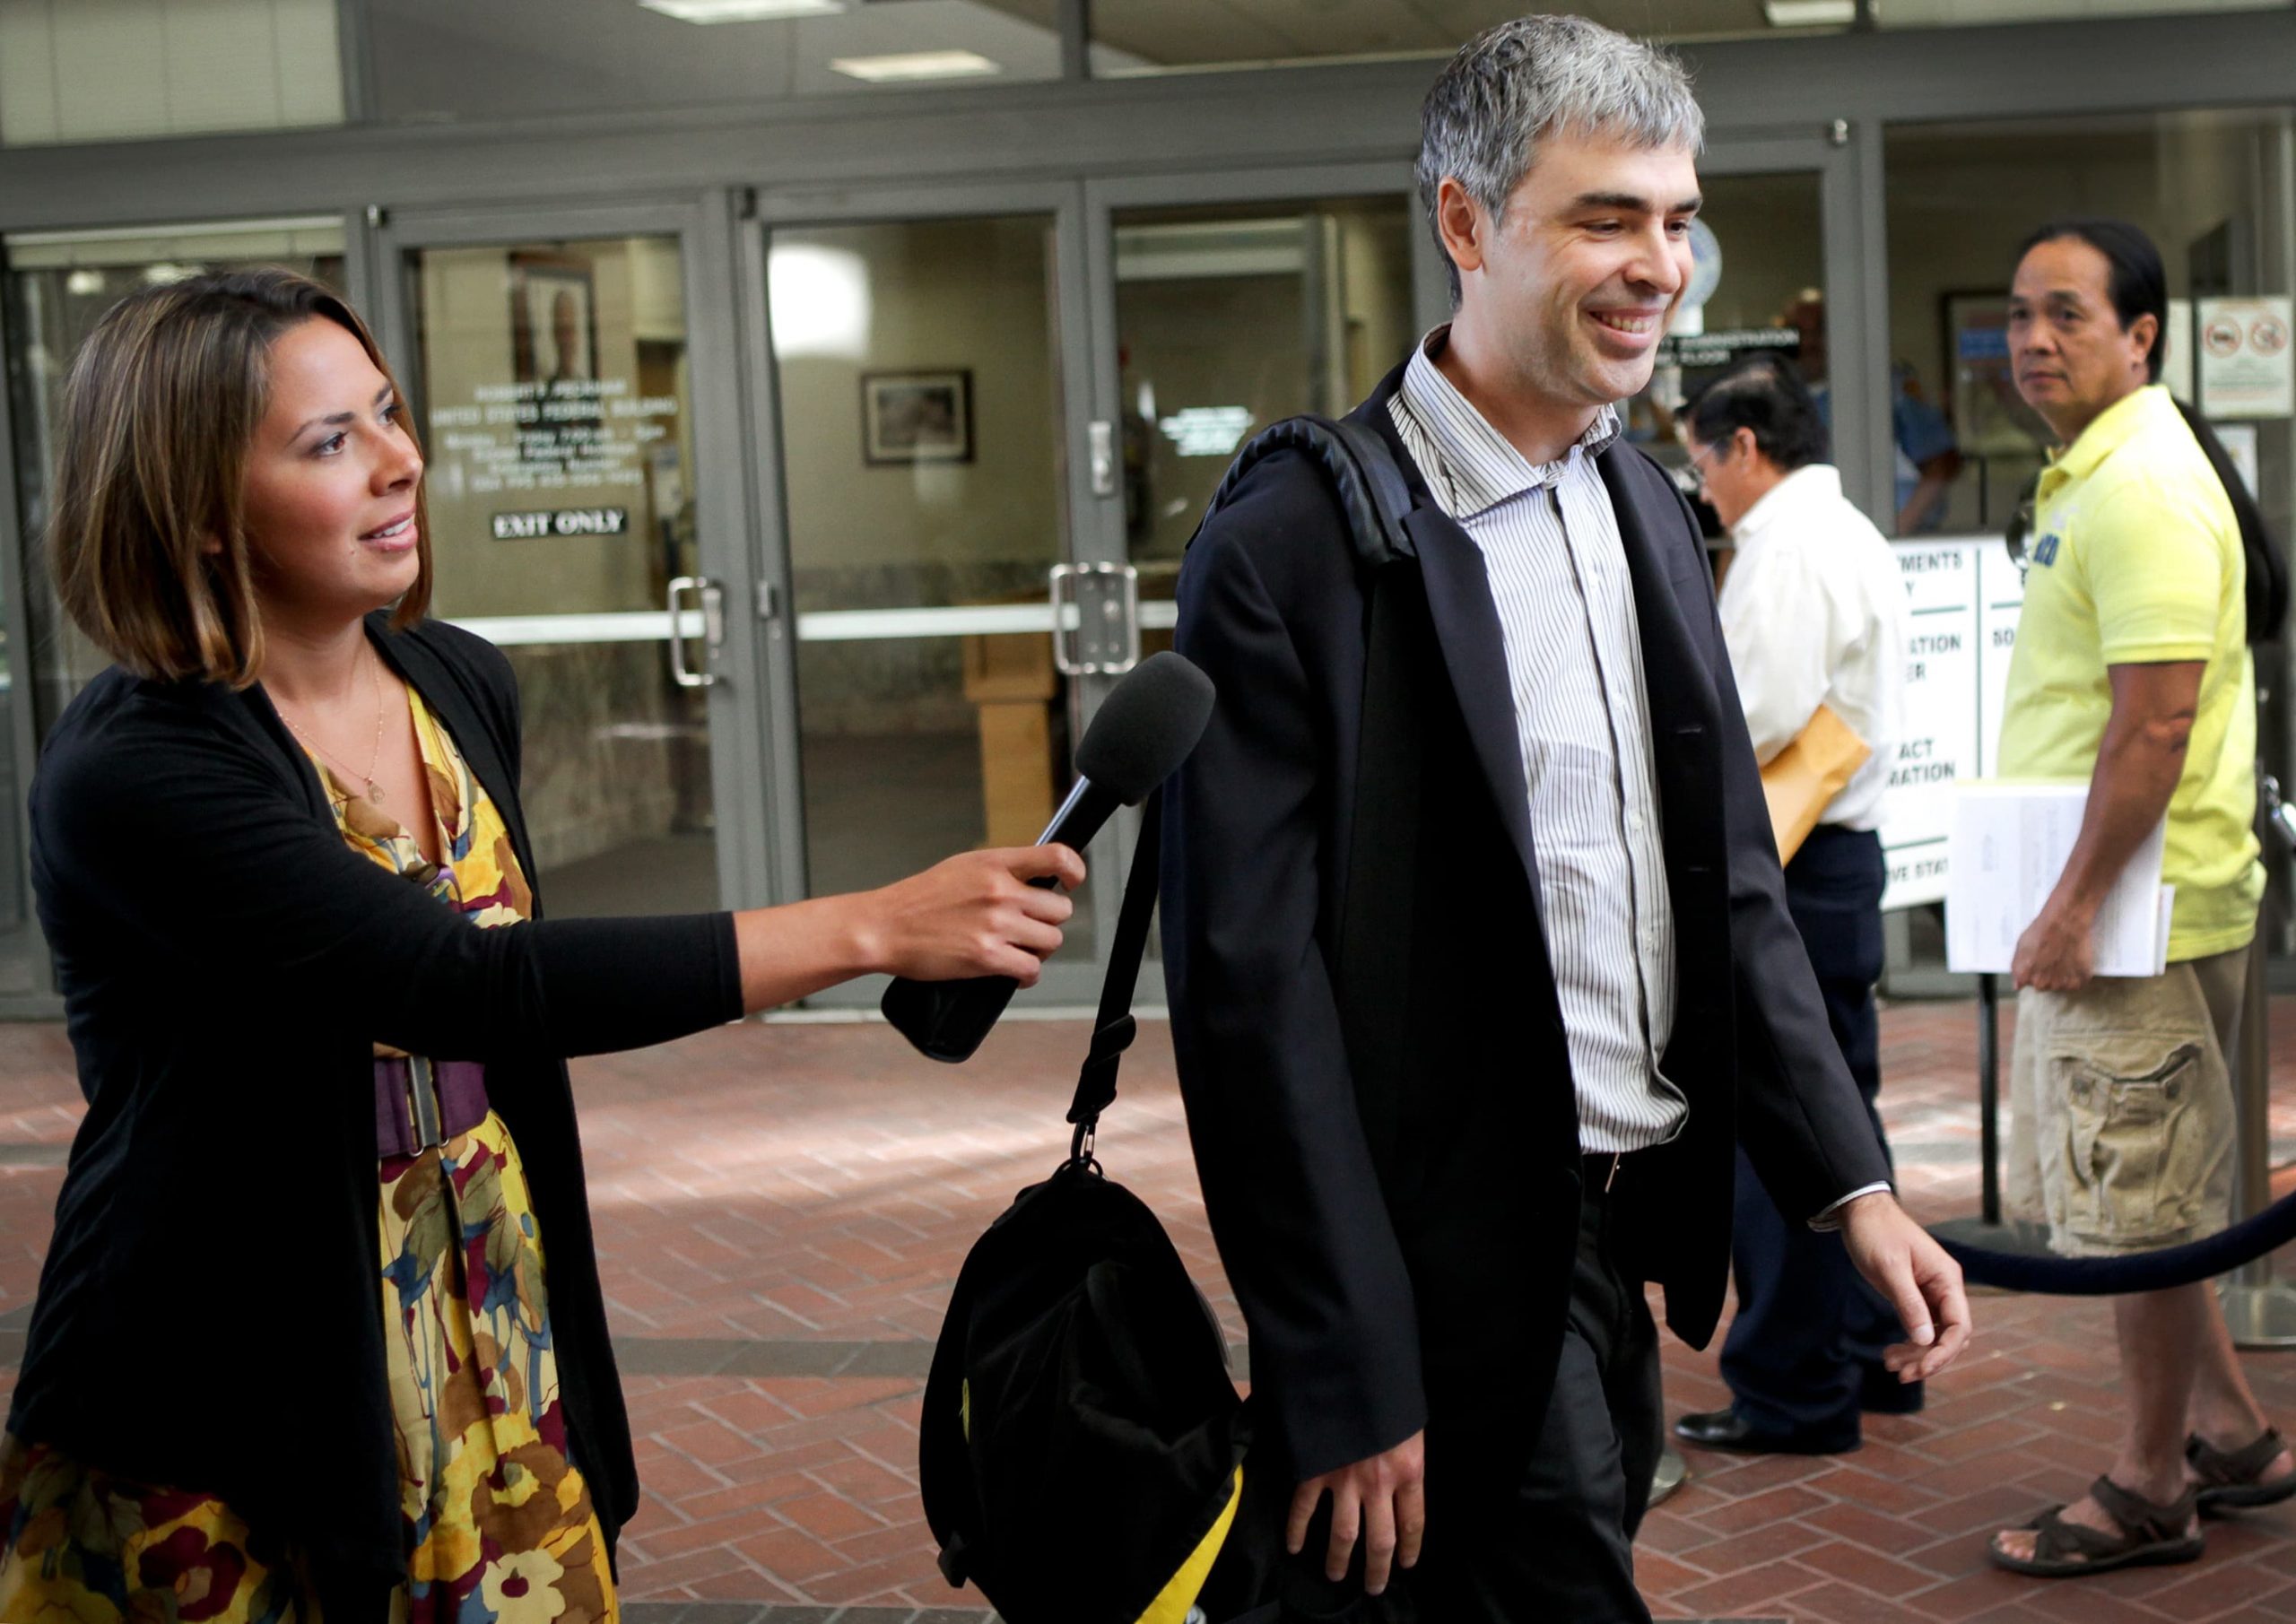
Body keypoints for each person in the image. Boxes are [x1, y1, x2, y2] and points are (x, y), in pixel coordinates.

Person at [0, 267, 1084, 1624]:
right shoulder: (137, 765)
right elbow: (468, 983)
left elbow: (501, 1015)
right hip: (229, 1373)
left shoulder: (456, 679)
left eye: (388, 413)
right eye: (328, 441)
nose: (399, 461)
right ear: (197, 507)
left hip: (485, 1309)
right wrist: (871, 926)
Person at [1164, 18, 1971, 1621]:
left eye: (1677, 220)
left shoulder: (1643, 507)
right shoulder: (1298, 544)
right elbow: (1252, 993)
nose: (1659, 266)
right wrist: (1340, 1351)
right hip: (1439, 1266)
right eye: (1606, 218)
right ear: (1464, 222)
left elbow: (1726, 890)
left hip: (1620, 1245)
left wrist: (1851, 1182)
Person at [1986, 220, 2291, 1577]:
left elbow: (2155, 726)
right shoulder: (2102, 468)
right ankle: (2230, 1432)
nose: (2034, 339)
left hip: (2133, 921)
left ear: (2141, 334)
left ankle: (2151, 1484)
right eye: (2019, 315)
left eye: (2067, 314)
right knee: (2151, 1192)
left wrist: (2069, 906)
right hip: (2141, 906)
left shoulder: (2141, 486)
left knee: (2136, 1214)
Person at [1668, 359, 1917, 1457]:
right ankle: (1871, 1351)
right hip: (1835, 862)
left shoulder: (1786, 546)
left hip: (1793, 866)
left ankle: (1790, 1387)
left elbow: (1748, 713)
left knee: (1781, 1136)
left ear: (1745, 447)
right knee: (1842, 1116)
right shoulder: (1845, 529)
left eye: (1701, 462)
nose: (1702, 487)